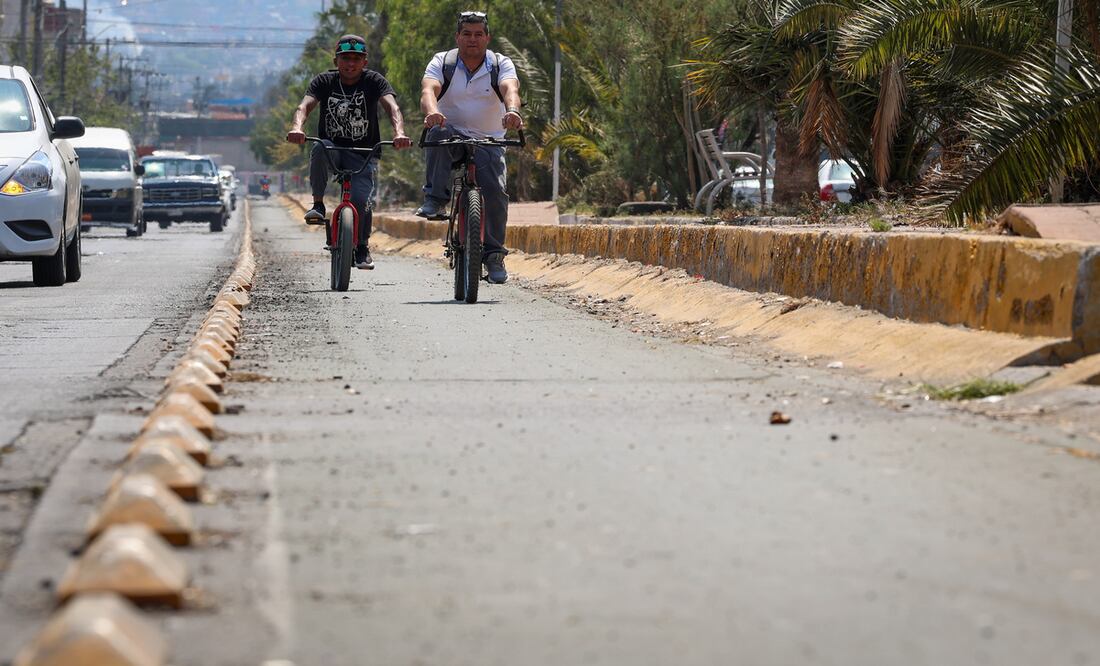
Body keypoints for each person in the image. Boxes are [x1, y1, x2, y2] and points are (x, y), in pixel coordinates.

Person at [286, 34, 411, 270]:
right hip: (333, 149)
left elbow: (392, 108)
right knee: (320, 147)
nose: (350, 63)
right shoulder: (323, 82)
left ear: (365, 62)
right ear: (336, 61)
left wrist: (399, 133)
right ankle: (319, 204)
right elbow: (304, 107)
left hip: (364, 153)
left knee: (361, 201)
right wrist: (297, 127)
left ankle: (362, 247)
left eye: (356, 58)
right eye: (345, 58)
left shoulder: (375, 81)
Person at [417, 11, 523, 284]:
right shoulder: (443, 61)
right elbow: (429, 90)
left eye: (478, 34)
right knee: (436, 132)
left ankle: (494, 255)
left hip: (489, 140)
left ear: (487, 38)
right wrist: (432, 112)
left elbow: (510, 89)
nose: (472, 40)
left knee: (496, 193)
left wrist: (512, 111)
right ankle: (435, 199)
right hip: (452, 136)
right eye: (467, 34)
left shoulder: (500, 64)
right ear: (458, 37)